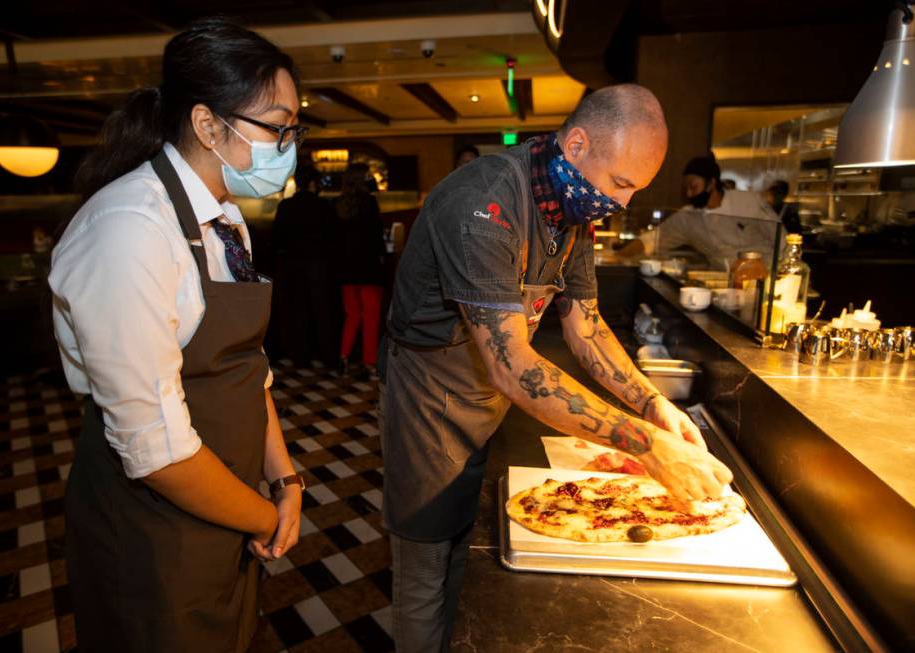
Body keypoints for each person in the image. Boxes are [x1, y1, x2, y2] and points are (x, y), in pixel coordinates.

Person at [379, 84, 733, 652]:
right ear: (577, 143)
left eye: (634, 190)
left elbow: (586, 325)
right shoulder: (483, 204)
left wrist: (653, 404)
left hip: (492, 395)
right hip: (430, 400)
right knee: (425, 566)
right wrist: (646, 444)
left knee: (465, 562)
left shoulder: (574, 206)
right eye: (621, 184)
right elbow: (514, 365)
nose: (622, 203)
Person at [49, 19, 305, 652]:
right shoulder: (129, 230)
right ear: (207, 125)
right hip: (155, 524)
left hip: (231, 499)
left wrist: (285, 478)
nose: (289, 143)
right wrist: (263, 513)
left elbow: (249, 367)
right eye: (277, 127)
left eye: (295, 128)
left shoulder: (227, 221)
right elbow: (154, 448)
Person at [618, 154, 783, 269]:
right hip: (722, 284)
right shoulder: (688, 216)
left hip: (763, 279)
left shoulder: (749, 202)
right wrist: (618, 257)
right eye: (686, 188)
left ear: (711, 183)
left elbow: (781, 240)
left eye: (693, 187)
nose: (689, 194)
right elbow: (651, 240)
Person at [272, 164, 340, 366]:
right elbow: (334, 237)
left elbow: (277, 238)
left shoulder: (285, 206)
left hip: (291, 266)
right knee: (322, 311)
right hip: (318, 265)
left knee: (297, 310)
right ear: (313, 183)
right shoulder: (324, 206)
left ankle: (299, 356)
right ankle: (327, 355)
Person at [336, 162, 385, 377]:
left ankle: (343, 357)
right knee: (371, 316)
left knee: (352, 315)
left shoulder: (338, 204)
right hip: (368, 267)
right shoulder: (370, 202)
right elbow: (376, 237)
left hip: (346, 268)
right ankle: (369, 362)